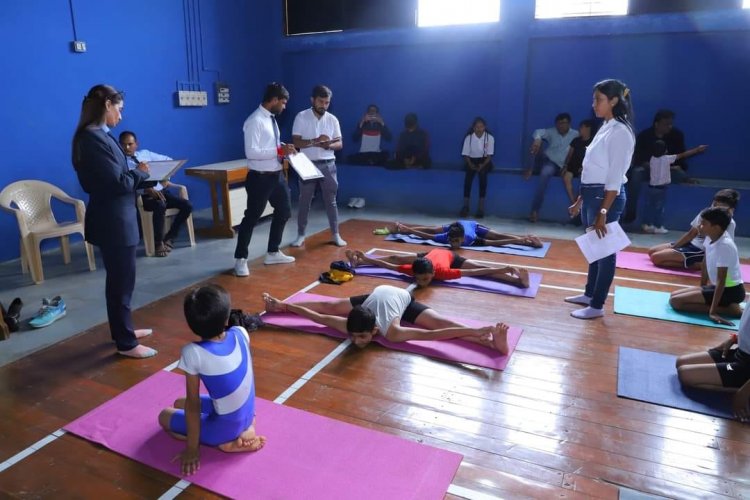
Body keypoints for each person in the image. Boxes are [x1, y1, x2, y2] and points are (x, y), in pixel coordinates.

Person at [71, 84, 156, 358]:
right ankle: (125, 343)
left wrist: (134, 173)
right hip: (113, 222)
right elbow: (116, 183)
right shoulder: (91, 139)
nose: (120, 117)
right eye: (118, 110)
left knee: (123, 281)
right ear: (107, 105)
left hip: (120, 218)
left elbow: (117, 176)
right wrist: (141, 173)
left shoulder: (101, 135)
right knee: (120, 283)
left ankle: (125, 329)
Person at [158, 285, 264, 476]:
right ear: (225, 319)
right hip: (249, 413)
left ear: (191, 325)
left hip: (226, 428)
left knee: (164, 415)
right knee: (178, 402)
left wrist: (192, 449)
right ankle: (248, 427)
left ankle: (226, 443)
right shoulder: (241, 332)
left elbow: (193, 403)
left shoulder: (193, 352)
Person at [262, 284, 509, 354]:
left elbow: (434, 335)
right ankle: (489, 341)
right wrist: (284, 306)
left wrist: (476, 331)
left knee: (442, 323)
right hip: (375, 296)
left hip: (403, 299)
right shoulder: (348, 324)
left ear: (375, 331)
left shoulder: (393, 332)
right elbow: (316, 315)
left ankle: (489, 340)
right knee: (332, 305)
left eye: (362, 336)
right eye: (354, 336)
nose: (356, 341)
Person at [566, 79, 635, 320]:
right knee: (594, 250)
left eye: (599, 99)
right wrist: (580, 200)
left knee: (605, 253)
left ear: (614, 101)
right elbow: (593, 169)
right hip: (592, 194)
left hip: (606, 197)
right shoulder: (606, 126)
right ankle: (588, 294)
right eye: (594, 99)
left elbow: (614, 179)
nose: (593, 104)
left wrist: (603, 213)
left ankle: (597, 305)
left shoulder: (621, 133)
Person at [233, 82, 298, 278]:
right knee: (251, 217)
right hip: (259, 178)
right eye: (283, 102)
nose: (284, 107)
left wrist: (284, 148)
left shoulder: (271, 119)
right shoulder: (255, 121)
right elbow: (251, 152)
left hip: (276, 175)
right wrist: (279, 150)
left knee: (284, 211)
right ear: (275, 100)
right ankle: (240, 259)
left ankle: (272, 252)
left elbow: (271, 145)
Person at [119, 131, 193, 257]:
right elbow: (125, 185)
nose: (127, 148)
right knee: (160, 205)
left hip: (161, 191)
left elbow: (169, 162)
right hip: (142, 197)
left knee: (187, 205)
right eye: (123, 145)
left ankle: (170, 238)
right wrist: (146, 190)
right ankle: (158, 243)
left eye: (130, 144)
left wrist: (165, 179)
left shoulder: (145, 154)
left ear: (136, 144)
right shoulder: (121, 163)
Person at [669, 207, 745, 325]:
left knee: (676, 302)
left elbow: (721, 280)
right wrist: (702, 288)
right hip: (717, 286)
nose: (699, 225)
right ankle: (725, 306)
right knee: (674, 295)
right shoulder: (710, 237)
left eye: (703, 223)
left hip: (731, 291)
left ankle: (730, 310)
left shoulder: (725, 246)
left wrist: (713, 312)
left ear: (716, 228)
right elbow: (705, 261)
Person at [291, 85, 346, 248]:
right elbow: (296, 142)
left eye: (327, 102)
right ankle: (301, 235)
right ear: (312, 100)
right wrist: (316, 141)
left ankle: (335, 234)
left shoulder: (332, 119)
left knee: (331, 201)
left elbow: (340, 143)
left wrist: (328, 146)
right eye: (321, 101)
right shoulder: (301, 117)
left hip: (328, 164)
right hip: (307, 164)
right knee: (304, 201)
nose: (324, 105)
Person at [675, 306, 750, 423]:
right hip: (739, 353)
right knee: (681, 362)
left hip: (745, 367)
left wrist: (744, 393)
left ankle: (742, 386)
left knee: (685, 374)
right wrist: (734, 339)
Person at [623, 109, 689, 224]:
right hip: (647, 170)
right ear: (656, 124)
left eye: (670, 124)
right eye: (666, 124)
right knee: (636, 174)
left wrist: (669, 167)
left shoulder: (677, 136)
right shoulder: (644, 136)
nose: (669, 127)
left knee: (680, 175)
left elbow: (680, 158)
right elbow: (637, 157)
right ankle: (631, 211)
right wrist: (649, 165)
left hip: (667, 171)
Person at [345, 248, 530, 288]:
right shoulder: (413, 269)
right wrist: (366, 258)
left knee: (483, 271)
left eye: (425, 279)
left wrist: (502, 268)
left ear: (433, 274)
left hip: (450, 257)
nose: (421, 282)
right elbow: (387, 265)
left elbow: (475, 272)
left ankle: (518, 282)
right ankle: (359, 262)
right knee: (396, 257)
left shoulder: (443, 273)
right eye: (419, 278)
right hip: (427, 255)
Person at [648, 189, 739, 270]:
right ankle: (686, 259)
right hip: (691, 244)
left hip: (701, 250)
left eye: (718, 207)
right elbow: (691, 233)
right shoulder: (705, 213)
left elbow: (724, 247)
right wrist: (674, 247)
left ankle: (698, 265)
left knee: (656, 258)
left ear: (730, 209)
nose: (714, 207)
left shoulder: (730, 223)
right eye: (714, 204)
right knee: (651, 251)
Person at [641, 141, 708, 234]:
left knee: (649, 207)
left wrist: (672, 168)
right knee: (659, 209)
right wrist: (697, 150)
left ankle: (647, 225)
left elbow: (659, 166)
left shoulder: (652, 159)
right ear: (665, 151)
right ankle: (658, 227)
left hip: (651, 188)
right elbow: (683, 155)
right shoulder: (667, 158)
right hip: (661, 189)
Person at [525, 113, 579, 222]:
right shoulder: (552, 132)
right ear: (556, 124)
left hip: (566, 164)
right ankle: (535, 210)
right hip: (550, 162)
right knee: (544, 173)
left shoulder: (575, 134)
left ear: (569, 124)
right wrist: (538, 139)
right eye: (559, 124)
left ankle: (578, 213)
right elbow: (537, 132)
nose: (562, 126)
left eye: (564, 123)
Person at [385, 220, 543, 249]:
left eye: (456, 242)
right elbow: (425, 236)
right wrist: (407, 230)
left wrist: (521, 240)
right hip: (457, 224)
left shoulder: (471, 239)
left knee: (496, 236)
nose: (454, 245)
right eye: (452, 242)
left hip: (473, 226)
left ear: (462, 239)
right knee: (432, 229)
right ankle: (404, 227)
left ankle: (528, 241)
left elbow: (496, 243)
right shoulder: (446, 237)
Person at [460, 117, 495, 219]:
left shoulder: (490, 138)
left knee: (483, 177)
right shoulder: (469, 138)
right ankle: (465, 206)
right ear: (473, 128)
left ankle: (481, 208)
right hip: (471, 160)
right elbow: (465, 154)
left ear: (484, 127)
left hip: (484, 161)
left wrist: (482, 165)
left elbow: (489, 156)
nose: (479, 129)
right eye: (477, 127)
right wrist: (470, 164)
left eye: (481, 127)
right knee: (468, 179)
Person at [560, 119, 595, 207]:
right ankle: (574, 203)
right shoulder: (576, 141)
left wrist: (586, 167)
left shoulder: (594, 141)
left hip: (585, 167)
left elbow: (594, 157)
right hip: (573, 166)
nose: (580, 129)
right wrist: (565, 166)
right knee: (566, 178)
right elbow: (569, 155)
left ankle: (581, 204)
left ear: (588, 129)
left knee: (583, 181)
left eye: (582, 127)